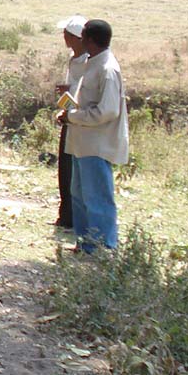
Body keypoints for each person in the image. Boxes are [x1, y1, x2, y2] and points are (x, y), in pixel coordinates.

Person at [59, 19, 129, 253]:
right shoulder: (91, 63)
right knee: (79, 195)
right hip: (82, 142)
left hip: (96, 144)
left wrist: (74, 117)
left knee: (97, 197)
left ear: (89, 39)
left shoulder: (107, 69)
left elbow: (107, 111)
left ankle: (103, 246)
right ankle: (86, 243)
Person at [53, 15, 89, 229]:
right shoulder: (74, 59)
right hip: (70, 117)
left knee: (74, 171)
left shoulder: (87, 62)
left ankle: (73, 217)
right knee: (65, 170)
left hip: (80, 120)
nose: (64, 37)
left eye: (66, 34)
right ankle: (66, 215)